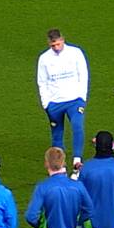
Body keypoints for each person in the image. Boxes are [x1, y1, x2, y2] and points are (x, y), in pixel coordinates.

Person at [36, 28, 90, 174]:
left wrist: (82, 98)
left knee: (77, 126)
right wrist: (46, 104)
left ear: (63, 40)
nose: (56, 48)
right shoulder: (44, 59)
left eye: (58, 44)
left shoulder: (76, 53)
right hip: (55, 103)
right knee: (57, 134)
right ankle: (60, 168)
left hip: (74, 100)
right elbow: (42, 81)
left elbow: (83, 75)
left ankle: (77, 161)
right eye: (53, 46)